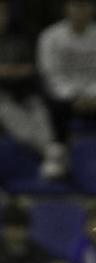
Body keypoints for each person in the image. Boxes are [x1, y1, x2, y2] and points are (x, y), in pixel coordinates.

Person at [36, 0, 96, 145]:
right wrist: (73, 96)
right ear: (66, 8)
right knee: (47, 107)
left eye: (85, 6)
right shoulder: (49, 37)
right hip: (64, 97)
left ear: (93, 9)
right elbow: (50, 74)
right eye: (76, 5)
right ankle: (58, 152)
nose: (80, 11)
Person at [0, 0, 66, 179]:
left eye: (2, 13)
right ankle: (49, 149)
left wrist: (12, 72)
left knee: (37, 105)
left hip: (22, 91)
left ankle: (51, 152)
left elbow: (34, 69)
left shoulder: (19, 38)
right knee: (5, 107)